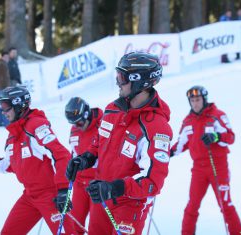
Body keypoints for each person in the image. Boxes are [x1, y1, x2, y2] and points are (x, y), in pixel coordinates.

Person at [66, 52, 173, 235]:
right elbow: (98, 144)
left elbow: (153, 182)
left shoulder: (156, 127)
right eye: (117, 75)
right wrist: (85, 159)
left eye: (122, 77)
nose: (117, 82)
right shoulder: (112, 110)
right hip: (102, 196)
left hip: (130, 204)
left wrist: (115, 188)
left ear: (140, 82)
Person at [0, 86, 76, 234]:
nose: (3, 112)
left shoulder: (36, 126)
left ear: (19, 105)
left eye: (5, 107)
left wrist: (63, 191)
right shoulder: (13, 135)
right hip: (29, 197)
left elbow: (61, 155)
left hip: (50, 195)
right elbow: (9, 164)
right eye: (1, 107)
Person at [171, 85, 241, 235]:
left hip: (218, 166)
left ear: (204, 100)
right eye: (192, 100)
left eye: (198, 99)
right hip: (198, 169)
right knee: (192, 206)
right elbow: (181, 144)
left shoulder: (217, 115)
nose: (195, 103)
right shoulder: (188, 121)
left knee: (225, 204)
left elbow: (231, 137)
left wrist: (216, 137)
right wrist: (166, 153)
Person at [65, 97, 103, 235]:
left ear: (87, 114)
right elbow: (73, 153)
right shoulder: (74, 130)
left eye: (80, 122)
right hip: (80, 183)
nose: (78, 126)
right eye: (74, 124)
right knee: (75, 225)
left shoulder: (103, 124)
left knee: (97, 227)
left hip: (97, 182)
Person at [0, 50, 11, 127]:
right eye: (6, 57)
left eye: (8, 57)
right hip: (1, 88)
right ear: (2, 57)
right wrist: (6, 87)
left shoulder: (0, 64)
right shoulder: (2, 65)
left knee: (0, 105)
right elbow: (3, 78)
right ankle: (7, 123)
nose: (7, 58)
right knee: (4, 105)